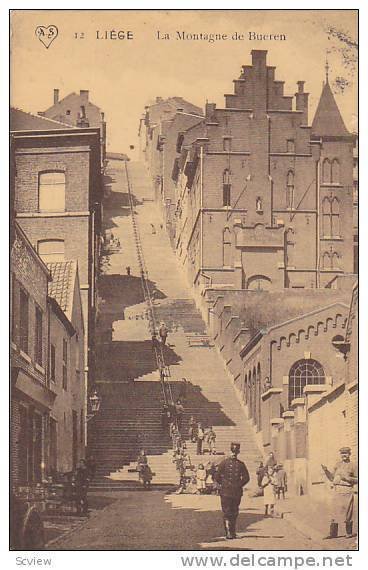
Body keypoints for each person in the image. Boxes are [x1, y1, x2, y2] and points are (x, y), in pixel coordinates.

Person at [215, 442, 250, 539]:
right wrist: (225, 484)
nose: (234, 454)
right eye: (232, 451)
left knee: (234, 512)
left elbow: (247, 478)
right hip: (226, 492)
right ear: (230, 451)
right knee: (227, 512)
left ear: (238, 452)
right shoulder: (223, 463)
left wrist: (238, 485)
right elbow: (217, 476)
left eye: (236, 452)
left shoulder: (241, 464)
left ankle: (233, 532)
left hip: (235, 492)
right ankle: (228, 533)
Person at [322, 447, 358, 539]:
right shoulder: (337, 465)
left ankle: (348, 533)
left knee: (348, 512)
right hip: (337, 490)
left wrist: (348, 478)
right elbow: (332, 478)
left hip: (347, 490)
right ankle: (333, 534)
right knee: (334, 512)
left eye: (346, 453)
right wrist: (326, 471)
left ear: (349, 454)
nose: (344, 455)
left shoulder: (354, 466)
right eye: (342, 453)